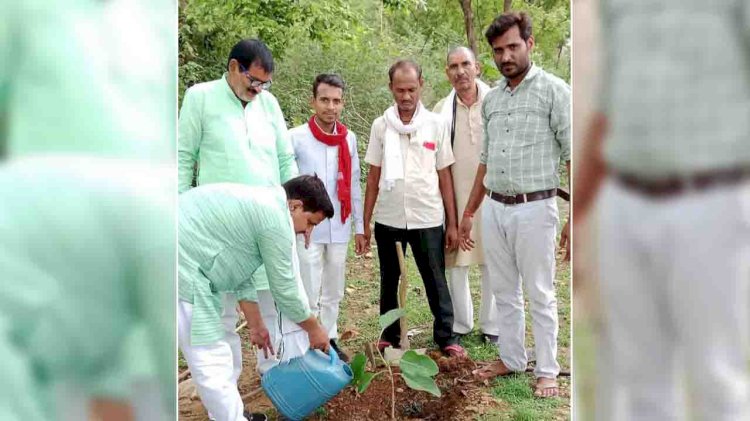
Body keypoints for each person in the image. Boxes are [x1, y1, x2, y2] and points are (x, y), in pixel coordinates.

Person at [575, 1, 750, 419]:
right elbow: (607, 107)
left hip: (711, 200)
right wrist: (579, 210)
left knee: (716, 378)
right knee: (641, 385)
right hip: (624, 200)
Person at [460, 12, 570, 398]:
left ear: (530, 44)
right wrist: (471, 211)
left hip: (536, 208)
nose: (505, 56)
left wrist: (577, 218)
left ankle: (547, 370)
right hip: (495, 206)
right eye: (497, 50)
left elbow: (575, 155)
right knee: (503, 290)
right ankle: (511, 358)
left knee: (540, 292)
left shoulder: (555, 91)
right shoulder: (492, 100)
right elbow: (485, 162)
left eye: (512, 46)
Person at [178, 38, 301, 375]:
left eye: (265, 83)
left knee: (271, 303)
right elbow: (183, 157)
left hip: (266, 224)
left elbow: (285, 159)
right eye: (254, 80)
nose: (259, 89)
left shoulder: (270, 105)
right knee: (223, 315)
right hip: (218, 230)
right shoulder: (200, 98)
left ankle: (275, 379)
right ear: (234, 67)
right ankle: (229, 400)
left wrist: (295, 209)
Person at [178, 175, 334, 421]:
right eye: (310, 222)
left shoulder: (261, 204)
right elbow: (285, 289)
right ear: (295, 206)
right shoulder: (275, 220)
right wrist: (315, 329)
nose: (307, 231)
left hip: (176, 257)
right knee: (212, 361)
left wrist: (256, 324)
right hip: (181, 269)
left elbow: (238, 268)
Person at [363, 59, 465, 357]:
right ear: (390, 88)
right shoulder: (381, 126)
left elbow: (444, 174)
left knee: (435, 277)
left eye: (411, 89)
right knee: (389, 278)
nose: (405, 97)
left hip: (428, 216)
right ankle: (389, 335)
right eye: (399, 90)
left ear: (421, 85)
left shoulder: (436, 124)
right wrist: (365, 224)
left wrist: (453, 223)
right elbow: (373, 176)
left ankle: (447, 336)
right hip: (389, 217)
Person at [290, 74, 365, 362]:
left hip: (339, 224)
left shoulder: (349, 139)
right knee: (308, 285)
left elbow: (355, 183)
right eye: (324, 100)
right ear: (313, 102)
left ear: (342, 104)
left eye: (336, 101)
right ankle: (307, 338)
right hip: (306, 227)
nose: (330, 107)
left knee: (334, 286)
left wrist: (359, 227)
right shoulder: (295, 137)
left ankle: (330, 337)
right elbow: (288, 184)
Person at [433, 46, 500, 343]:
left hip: (493, 193)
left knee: (493, 259)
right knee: (456, 262)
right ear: (447, 74)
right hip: (456, 196)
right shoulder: (440, 111)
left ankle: (492, 326)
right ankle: (461, 324)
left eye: (465, 64)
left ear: (478, 68)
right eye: (454, 66)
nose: (460, 71)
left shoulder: (497, 103)